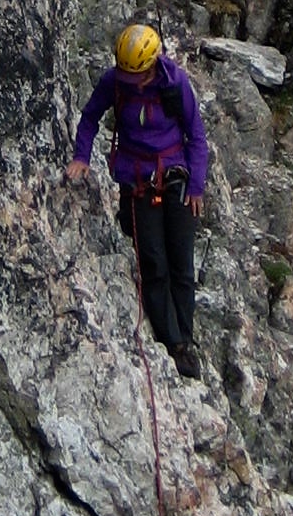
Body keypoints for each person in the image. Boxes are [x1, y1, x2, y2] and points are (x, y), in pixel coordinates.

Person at [68, 22, 209, 376]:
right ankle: (171, 340)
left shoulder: (174, 84)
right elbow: (89, 118)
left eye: (138, 75)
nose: (132, 82)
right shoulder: (115, 81)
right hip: (137, 182)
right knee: (154, 263)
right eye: (127, 75)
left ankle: (184, 339)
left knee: (181, 264)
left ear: (151, 64)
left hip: (175, 178)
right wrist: (81, 156)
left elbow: (196, 135)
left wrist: (196, 187)